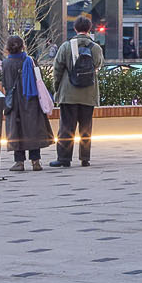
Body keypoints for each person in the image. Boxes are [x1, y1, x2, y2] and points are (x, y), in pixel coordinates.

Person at [50, 14, 104, 168]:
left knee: (66, 127)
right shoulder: (96, 48)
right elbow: (99, 65)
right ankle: (84, 158)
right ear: (89, 29)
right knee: (86, 128)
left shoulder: (66, 46)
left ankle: (64, 159)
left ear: (75, 29)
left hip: (68, 94)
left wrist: (57, 89)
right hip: (89, 94)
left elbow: (57, 70)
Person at [2, 33, 52, 171]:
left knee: (16, 131)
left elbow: (5, 84)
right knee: (33, 130)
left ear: (7, 48)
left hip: (15, 103)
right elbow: (39, 79)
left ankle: (19, 162)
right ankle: (36, 161)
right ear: (23, 46)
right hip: (32, 100)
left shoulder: (6, 63)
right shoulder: (31, 61)